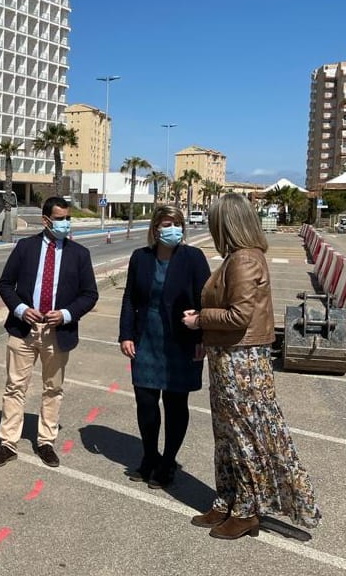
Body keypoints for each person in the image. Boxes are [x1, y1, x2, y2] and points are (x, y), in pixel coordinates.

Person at [181, 193, 321, 540]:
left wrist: (200, 320)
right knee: (226, 437)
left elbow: (239, 315)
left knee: (245, 438)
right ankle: (227, 499)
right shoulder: (237, 258)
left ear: (227, 223)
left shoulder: (244, 260)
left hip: (241, 363)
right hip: (229, 359)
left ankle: (246, 510)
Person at [0, 197, 99, 469]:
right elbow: (5, 285)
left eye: (68, 218)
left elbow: (89, 294)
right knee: (15, 386)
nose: (65, 223)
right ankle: (7, 444)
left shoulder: (79, 254)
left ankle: (46, 441)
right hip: (24, 329)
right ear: (46, 220)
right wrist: (21, 309)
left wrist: (66, 314)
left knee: (53, 388)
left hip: (57, 331)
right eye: (60, 219)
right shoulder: (26, 248)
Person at [118, 205, 210, 488]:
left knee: (175, 404)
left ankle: (168, 462)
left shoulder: (193, 258)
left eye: (177, 223)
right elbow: (130, 298)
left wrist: (203, 338)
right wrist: (126, 334)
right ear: (155, 228)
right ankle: (149, 457)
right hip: (147, 339)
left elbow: (205, 299)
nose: (172, 228)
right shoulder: (140, 258)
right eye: (166, 223)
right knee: (146, 401)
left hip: (182, 341)